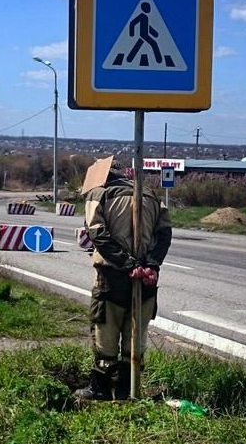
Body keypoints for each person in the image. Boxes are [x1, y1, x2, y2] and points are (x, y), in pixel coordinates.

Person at [74, 160, 172, 401]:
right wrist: (150, 265)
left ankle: (101, 388)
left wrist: (128, 264)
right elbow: (165, 234)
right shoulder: (150, 195)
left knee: (105, 332)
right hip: (146, 281)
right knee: (135, 333)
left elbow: (97, 233)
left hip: (113, 278)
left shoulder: (99, 194)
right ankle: (129, 389)